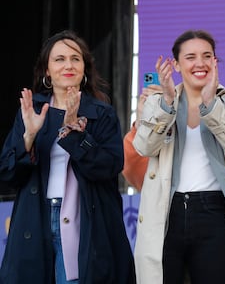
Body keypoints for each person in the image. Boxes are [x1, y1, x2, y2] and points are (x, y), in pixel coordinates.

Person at [131, 29, 225, 284]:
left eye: (206, 56)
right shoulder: (158, 102)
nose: (199, 63)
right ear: (176, 65)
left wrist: (211, 104)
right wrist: (167, 102)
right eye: (190, 57)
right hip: (167, 213)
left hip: (214, 212)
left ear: (215, 61)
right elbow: (144, 147)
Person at [0, 30, 136, 283]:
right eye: (59, 59)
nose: (68, 65)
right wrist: (28, 136)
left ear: (85, 68)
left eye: (75, 58)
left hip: (85, 220)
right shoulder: (32, 111)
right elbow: (8, 173)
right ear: (47, 71)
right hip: (37, 219)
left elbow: (109, 166)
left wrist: (73, 133)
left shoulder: (101, 113)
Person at [122, 86, 225, 191]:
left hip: (216, 209)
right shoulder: (167, 124)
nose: (199, 64)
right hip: (170, 212)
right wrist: (143, 123)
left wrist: (215, 114)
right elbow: (135, 174)